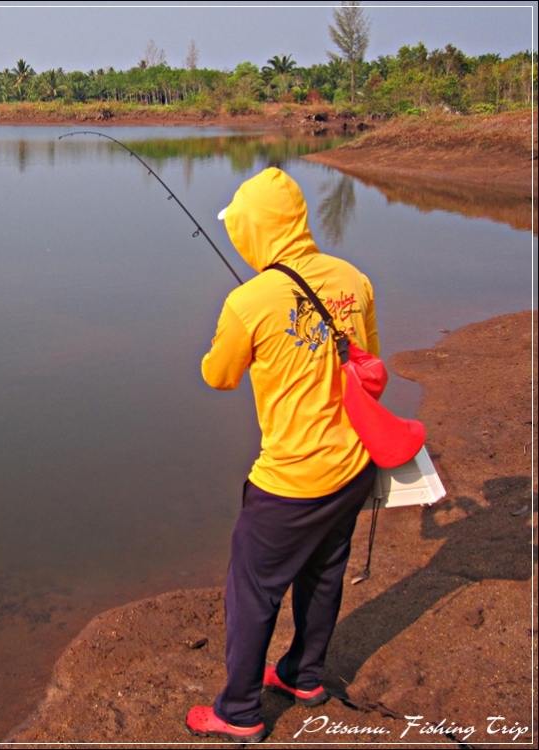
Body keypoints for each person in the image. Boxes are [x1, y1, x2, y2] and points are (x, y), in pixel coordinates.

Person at [184, 167, 379, 744]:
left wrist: (228, 341)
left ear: (252, 231)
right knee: (322, 576)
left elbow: (218, 376)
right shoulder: (355, 279)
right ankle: (303, 675)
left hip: (291, 480)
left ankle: (239, 710)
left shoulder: (249, 301)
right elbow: (370, 368)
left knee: (252, 588)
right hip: (351, 467)